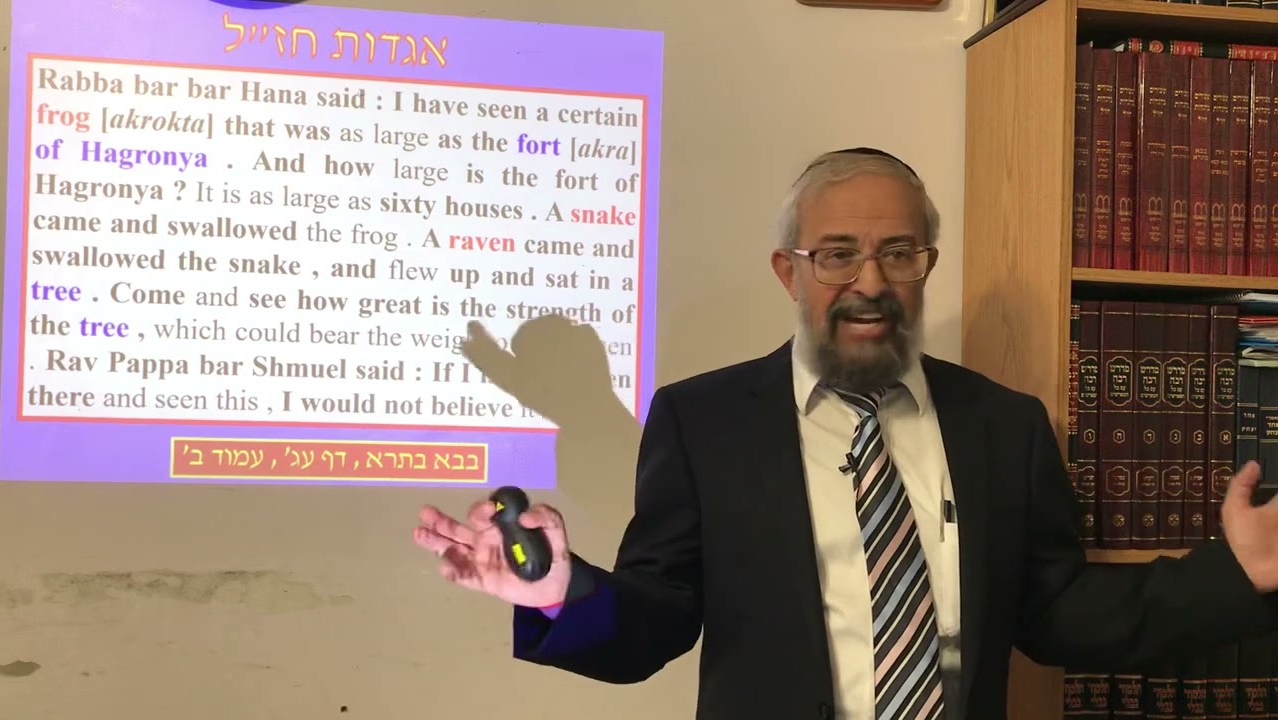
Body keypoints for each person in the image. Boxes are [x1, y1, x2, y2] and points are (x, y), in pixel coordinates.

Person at [414, 148, 1278, 720]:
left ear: (926, 265)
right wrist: (561, 593)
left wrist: (1233, 576)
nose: (871, 282)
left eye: (900, 252)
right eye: (837, 254)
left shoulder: (1003, 425)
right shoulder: (704, 422)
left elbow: (1058, 615)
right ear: (789, 272)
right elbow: (658, 620)